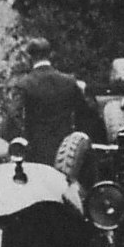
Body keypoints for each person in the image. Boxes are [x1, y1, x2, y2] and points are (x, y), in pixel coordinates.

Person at [8, 37, 92, 165]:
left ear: (30, 57)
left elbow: (14, 114)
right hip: (66, 151)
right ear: (50, 55)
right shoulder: (69, 81)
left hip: (36, 151)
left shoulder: (24, 84)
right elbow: (85, 112)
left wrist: (24, 137)